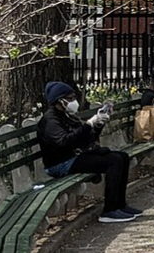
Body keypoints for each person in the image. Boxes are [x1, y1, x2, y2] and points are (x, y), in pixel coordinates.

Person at [37, 81, 141, 224]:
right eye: (70, 98)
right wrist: (88, 124)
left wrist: (98, 124)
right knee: (113, 161)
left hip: (74, 157)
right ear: (60, 100)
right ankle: (109, 210)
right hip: (61, 163)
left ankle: (120, 205)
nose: (74, 101)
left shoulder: (68, 116)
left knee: (122, 157)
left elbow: (85, 139)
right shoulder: (50, 121)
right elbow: (64, 142)